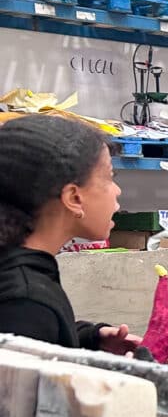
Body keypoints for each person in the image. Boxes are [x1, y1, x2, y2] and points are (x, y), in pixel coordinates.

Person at [0, 116, 139, 354]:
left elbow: (31, 338)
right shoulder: (26, 300)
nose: (117, 191)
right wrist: (138, 375)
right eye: (109, 177)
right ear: (74, 198)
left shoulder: (21, 282)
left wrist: (88, 338)